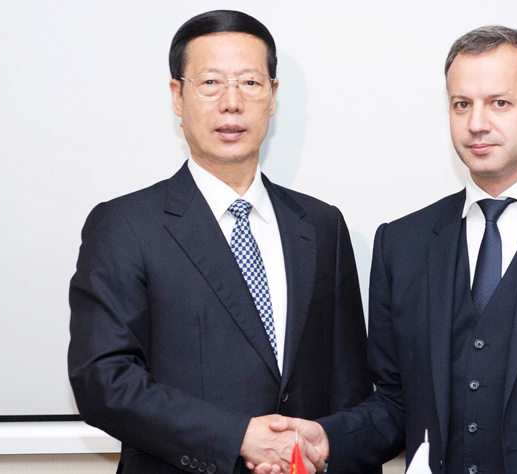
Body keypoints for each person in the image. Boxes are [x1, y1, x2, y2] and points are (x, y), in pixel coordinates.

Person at [262, 25, 517, 474]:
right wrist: (329, 439)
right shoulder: (401, 245)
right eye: (462, 104)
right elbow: (396, 405)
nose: (476, 123)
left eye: (499, 103)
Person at [67, 10, 375, 474]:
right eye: (210, 83)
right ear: (178, 96)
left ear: (273, 96)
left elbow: (349, 389)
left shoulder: (321, 224)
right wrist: (237, 438)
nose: (232, 103)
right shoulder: (125, 226)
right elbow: (102, 380)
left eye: (250, 83)